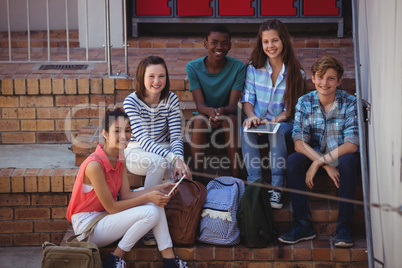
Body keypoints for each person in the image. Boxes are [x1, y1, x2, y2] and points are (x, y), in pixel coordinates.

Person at [66, 108, 190, 268]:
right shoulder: (94, 165)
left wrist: (160, 188)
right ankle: (115, 259)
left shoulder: (120, 155)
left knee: (155, 198)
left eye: (128, 130)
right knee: (150, 212)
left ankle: (169, 260)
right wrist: (148, 197)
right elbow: (112, 207)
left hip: (104, 217)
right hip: (88, 227)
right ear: (105, 133)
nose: (124, 136)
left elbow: (125, 195)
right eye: (117, 131)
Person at [278, 56, 360, 248]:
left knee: (349, 161)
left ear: (339, 81)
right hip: (313, 154)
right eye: (320, 77)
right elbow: (299, 143)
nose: (325, 83)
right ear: (313, 78)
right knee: (293, 160)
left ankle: (344, 227)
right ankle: (302, 224)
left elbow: (352, 144)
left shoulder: (349, 102)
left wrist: (319, 163)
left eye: (331, 78)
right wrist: (324, 163)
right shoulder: (304, 102)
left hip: (340, 156)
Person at [241, 19, 306, 209]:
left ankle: (277, 188)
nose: (270, 46)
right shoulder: (253, 69)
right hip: (258, 119)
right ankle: (255, 184)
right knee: (246, 129)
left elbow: (293, 109)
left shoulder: (296, 73)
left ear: (283, 41)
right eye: (266, 41)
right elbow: (247, 101)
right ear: (261, 44)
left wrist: (274, 122)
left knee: (277, 131)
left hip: (285, 123)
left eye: (275, 40)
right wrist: (252, 117)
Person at [186, 24, 246, 180]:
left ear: (230, 45)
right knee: (199, 121)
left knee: (229, 120)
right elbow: (200, 106)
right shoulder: (193, 67)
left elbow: (233, 105)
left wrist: (221, 112)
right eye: (214, 42)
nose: (219, 47)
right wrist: (211, 113)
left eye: (224, 42)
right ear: (205, 43)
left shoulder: (238, 67)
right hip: (205, 116)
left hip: (228, 116)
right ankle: (197, 178)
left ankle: (237, 178)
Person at [124, 56, 192, 188]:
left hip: (163, 147)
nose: (157, 81)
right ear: (141, 77)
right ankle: (149, 203)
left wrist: (179, 160)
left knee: (183, 173)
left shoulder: (171, 99)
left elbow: (176, 137)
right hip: (136, 150)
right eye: (151, 76)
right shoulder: (131, 102)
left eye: (161, 76)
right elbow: (143, 141)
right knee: (157, 162)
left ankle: (155, 200)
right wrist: (174, 159)